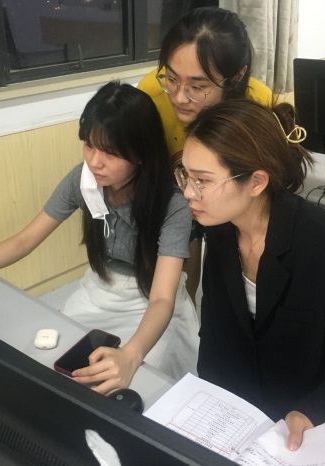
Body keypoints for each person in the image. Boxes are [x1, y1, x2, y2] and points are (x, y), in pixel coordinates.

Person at [0, 81, 200, 395]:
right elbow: (24, 240)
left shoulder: (172, 204)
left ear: (140, 153)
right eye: (89, 145)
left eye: (110, 152)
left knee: (142, 383)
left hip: (151, 301)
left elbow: (162, 298)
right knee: (57, 362)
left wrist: (132, 354)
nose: (94, 161)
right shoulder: (83, 181)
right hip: (100, 288)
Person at [178, 98, 325, 465]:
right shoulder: (220, 229)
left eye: (202, 180)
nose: (188, 192)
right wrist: (210, 402)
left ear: (256, 182)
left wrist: (312, 411)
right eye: (185, 176)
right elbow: (216, 331)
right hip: (258, 408)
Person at [138, 7, 273, 304]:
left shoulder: (256, 103)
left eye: (198, 87)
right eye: (171, 78)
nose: (179, 97)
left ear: (237, 77)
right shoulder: (151, 94)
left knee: (223, 281)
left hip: (227, 202)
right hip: (174, 199)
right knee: (178, 285)